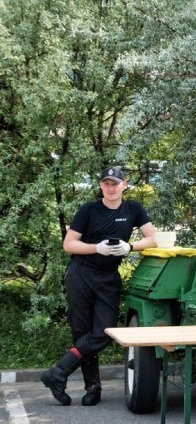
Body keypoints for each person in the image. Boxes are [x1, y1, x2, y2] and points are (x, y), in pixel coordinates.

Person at [41, 166, 157, 406]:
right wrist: (97, 247)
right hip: (81, 274)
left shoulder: (133, 208)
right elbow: (69, 244)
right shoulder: (89, 210)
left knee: (103, 332)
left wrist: (130, 247)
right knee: (81, 332)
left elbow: (152, 238)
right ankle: (92, 388)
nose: (111, 188)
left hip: (108, 276)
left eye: (115, 183)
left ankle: (58, 372)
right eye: (106, 183)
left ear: (124, 184)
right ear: (100, 186)